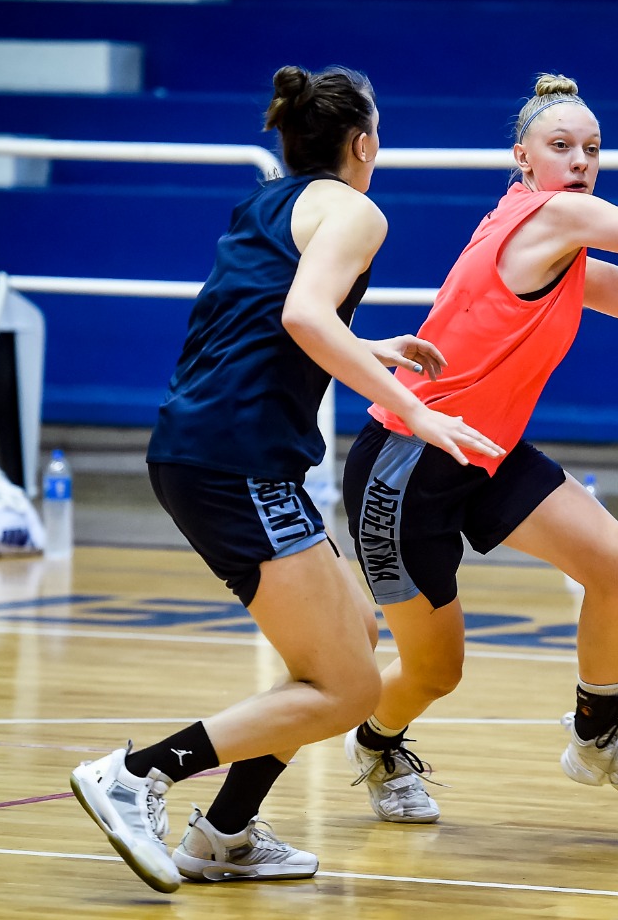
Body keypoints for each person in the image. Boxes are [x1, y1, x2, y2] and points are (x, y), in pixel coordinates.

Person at [68, 64, 503, 893]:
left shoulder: (267, 202)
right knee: (346, 692)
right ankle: (139, 775)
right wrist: (414, 410)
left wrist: (366, 346)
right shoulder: (357, 209)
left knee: (358, 641)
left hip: (213, 447)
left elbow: (266, 312)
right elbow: (303, 316)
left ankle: (225, 834)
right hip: (236, 459)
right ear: (363, 143)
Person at [341, 66, 618, 822]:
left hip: (484, 451)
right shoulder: (549, 221)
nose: (582, 161)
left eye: (593, 148)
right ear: (524, 159)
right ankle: (376, 742)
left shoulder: (560, 238)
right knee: (435, 672)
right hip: (406, 462)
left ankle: (598, 736)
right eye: (562, 146)